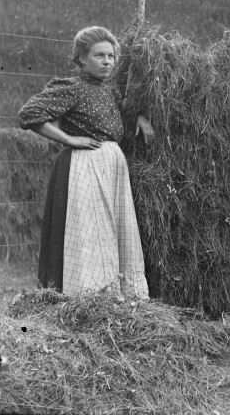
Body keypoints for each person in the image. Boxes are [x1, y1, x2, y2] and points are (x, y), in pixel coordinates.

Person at [18, 26, 153, 298]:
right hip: (84, 166)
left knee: (113, 232)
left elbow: (119, 118)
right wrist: (69, 139)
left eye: (111, 56)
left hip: (112, 165)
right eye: (98, 55)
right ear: (80, 59)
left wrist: (138, 117)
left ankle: (114, 295)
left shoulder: (110, 92)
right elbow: (29, 114)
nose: (106, 62)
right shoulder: (71, 88)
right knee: (89, 233)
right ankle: (85, 296)